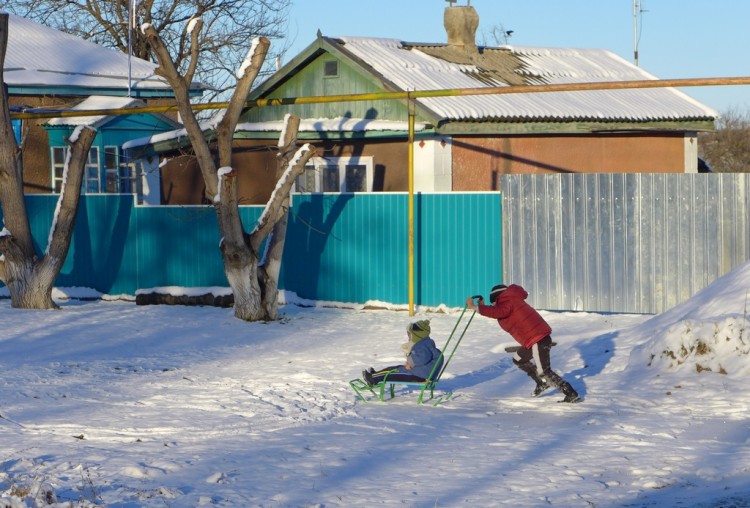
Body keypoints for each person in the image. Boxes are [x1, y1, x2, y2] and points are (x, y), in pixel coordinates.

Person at [466, 284, 580, 403]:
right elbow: (498, 311)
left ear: (498, 298)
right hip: (533, 340)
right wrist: (482, 307)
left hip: (537, 339)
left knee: (544, 371)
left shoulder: (508, 301)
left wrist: (475, 307)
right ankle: (541, 383)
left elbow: (499, 311)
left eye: (494, 302)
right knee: (519, 359)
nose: (494, 305)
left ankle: (570, 393)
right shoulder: (510, 300)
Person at [362, 320, 444, 387]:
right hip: (419, 373)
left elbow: (422, 358)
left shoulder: (423, 345)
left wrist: (411, 363)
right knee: (394, 369)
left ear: (417, 335)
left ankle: (373, 379)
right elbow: (422, 357)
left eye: (410, 335)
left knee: (392, 374)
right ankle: (375, 375)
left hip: (418, 376)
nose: (409, 337)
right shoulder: (426, 343)